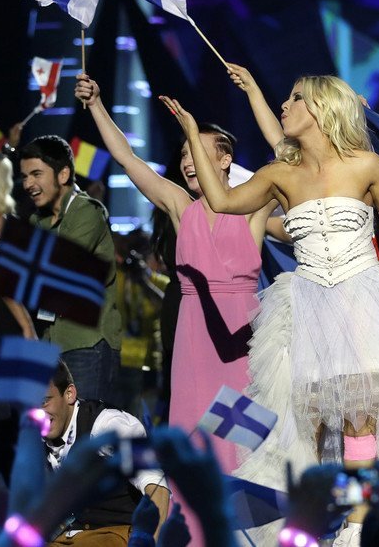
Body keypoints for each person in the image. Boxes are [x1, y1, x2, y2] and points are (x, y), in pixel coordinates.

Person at [159, 74, 379, 543]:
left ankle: (356, 527)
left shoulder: (366, 165)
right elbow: (223, 200)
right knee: (311, 422)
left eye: (295, 98)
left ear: (320, 107)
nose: (285, 104)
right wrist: (192, 132)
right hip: (308, 305)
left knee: (360, 417)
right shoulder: (280, 174)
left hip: (362, 301)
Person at [75, 74, 277, 473]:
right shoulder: (180, 206)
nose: (187, 160)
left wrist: (255, 90)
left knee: (243, 438)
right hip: (193, 337)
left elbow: (289, 160)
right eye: (184, 151)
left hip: (240, 338)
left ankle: (248, 508)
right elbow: (127, 158)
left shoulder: (254, 206)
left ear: (225, 160)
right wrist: (96, 104)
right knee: (194, 430)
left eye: (197, 148)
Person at [19, 135, 122, 405]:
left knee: (85, 426)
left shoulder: (87, 212)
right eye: (25, 176)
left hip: (87, 345)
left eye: (36, 174)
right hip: (49, 344)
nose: (28, 184)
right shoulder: (37, 220)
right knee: (52, 427)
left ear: (63, 174)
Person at [41, 360, 168, 544]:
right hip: (72, 535)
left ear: (69, 394)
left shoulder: (109, 426)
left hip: (116, 533)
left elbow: (158, 488)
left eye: (44, 402)